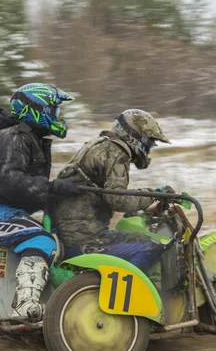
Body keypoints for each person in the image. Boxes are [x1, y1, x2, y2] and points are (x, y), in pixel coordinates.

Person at [0, 83, 89, 321]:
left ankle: (47, 298)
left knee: (58, 240)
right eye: (53, 110)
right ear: (34, 108)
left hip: (8, 210)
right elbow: (10, 182)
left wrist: (62, 190)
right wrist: (54, 188)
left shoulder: (27, 138)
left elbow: (27, 186)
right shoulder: (11, 138)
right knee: (40, 240)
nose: (57, 117)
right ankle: (26, 306)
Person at [53, 109, 176, 271]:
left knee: (137, 235)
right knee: (151, 246)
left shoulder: (101, 145)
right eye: (148, 143)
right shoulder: (116, 152)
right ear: (134, 137)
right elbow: (118, 200)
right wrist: (153, 195)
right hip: (82, 239)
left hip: (73, 232)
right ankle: (125, 292)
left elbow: (106, 194)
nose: (148, 149)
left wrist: (145, 205)